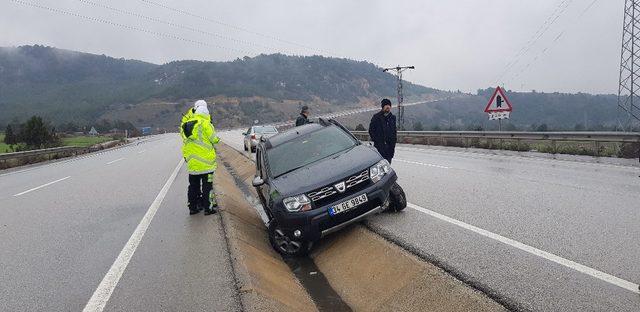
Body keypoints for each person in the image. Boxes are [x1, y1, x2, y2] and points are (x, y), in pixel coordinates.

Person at [181, 100, 220, 215]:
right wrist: (217, 140)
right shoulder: (206, 123)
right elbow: (214, 139)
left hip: (193, 163)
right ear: (206, 113)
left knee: (193, 186)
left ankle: (193, 207)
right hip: (206, 164)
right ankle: (208, 208)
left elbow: (185, 141)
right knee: (208, 186)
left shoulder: (187, 124)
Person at [369, 98, 397, 163]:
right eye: (386, 105)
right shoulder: (376, 117)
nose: (388, 106)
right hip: (379, 148)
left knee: (388, 167)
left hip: (390, 149)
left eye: (389, 105)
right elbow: (371, 130)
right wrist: (377, 141)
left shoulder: (393, 118)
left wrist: (393, 144)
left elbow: (394, 132)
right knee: (379, 167)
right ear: (382, 107)